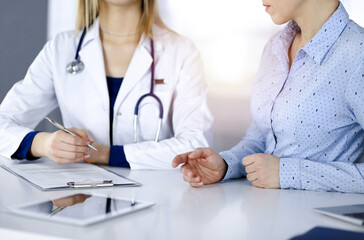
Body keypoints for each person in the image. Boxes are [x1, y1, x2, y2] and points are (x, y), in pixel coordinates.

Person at [173, 0, 364, 193]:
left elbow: (279, 171)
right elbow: (261, 139)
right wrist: (226, 164)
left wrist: (290, 173)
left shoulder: (359, 55)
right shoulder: (276, 46)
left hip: (318, 219)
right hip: (265, 215)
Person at [0, 0, 213, 169]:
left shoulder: (182, 52)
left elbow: (196, 144)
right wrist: (43, 144)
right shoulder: (60, 49)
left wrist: (106, 154)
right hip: (81, 201)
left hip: (156, 202)